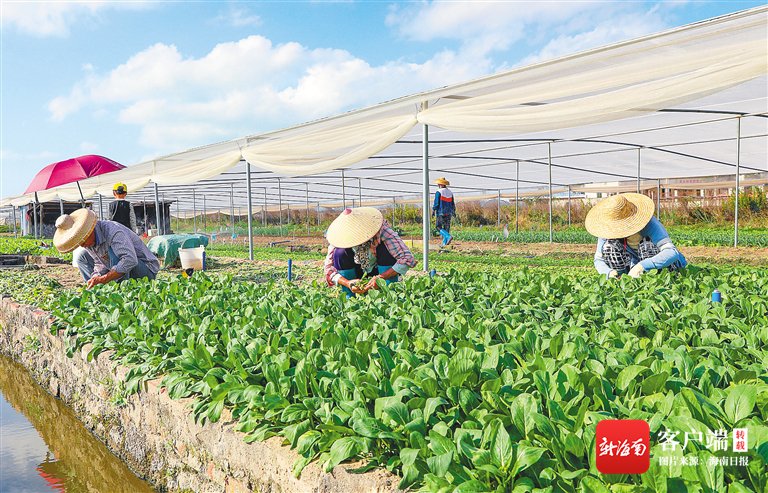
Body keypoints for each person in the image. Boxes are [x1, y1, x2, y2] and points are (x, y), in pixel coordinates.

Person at [585, 193, 687, 279]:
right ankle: (621, 280)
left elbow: (671, 252)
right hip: (630, 266)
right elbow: (599, 260)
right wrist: (609, 273)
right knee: (609, 247)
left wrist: (642, 266)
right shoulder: (606, 230)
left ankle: (656, 280)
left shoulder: (650, 224)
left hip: (664, 267)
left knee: (647, 246)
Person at [54, 208, 160, 288]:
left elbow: (130, 260)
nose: (82, 245)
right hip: (122, 268)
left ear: (89, 231)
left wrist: (105, 278)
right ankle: (95, 288)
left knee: (114, 253)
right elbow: (99, 263)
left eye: (82, 240)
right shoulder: (89, 242)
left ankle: (121, 290)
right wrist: (96, 276)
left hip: (146, 271)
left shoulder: (113, 231)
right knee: (82, 257)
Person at [324, 207, 416, 296]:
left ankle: (388, 292)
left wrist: (381, 278)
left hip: (379, 270)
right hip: (356, 273)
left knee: (384, 249)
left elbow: (407, 258)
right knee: (340, 252)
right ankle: (349, 296)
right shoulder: (339, 239)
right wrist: (347, 283)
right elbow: (329, 270)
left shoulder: (382, 231)